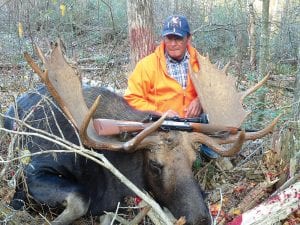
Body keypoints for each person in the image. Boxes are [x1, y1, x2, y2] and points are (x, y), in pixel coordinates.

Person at [124, 15, 218, 159]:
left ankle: (210, 158)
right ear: (163, 39)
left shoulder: (201, 63)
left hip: (194, 128)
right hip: (160, 128)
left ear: (188, 38)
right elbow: (131, 99)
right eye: (169, 38)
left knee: (217, 127)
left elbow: (215, 90)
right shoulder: (147, 65)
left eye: (178, 38)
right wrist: (160, 113)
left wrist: (200, 99)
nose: (173, 43)